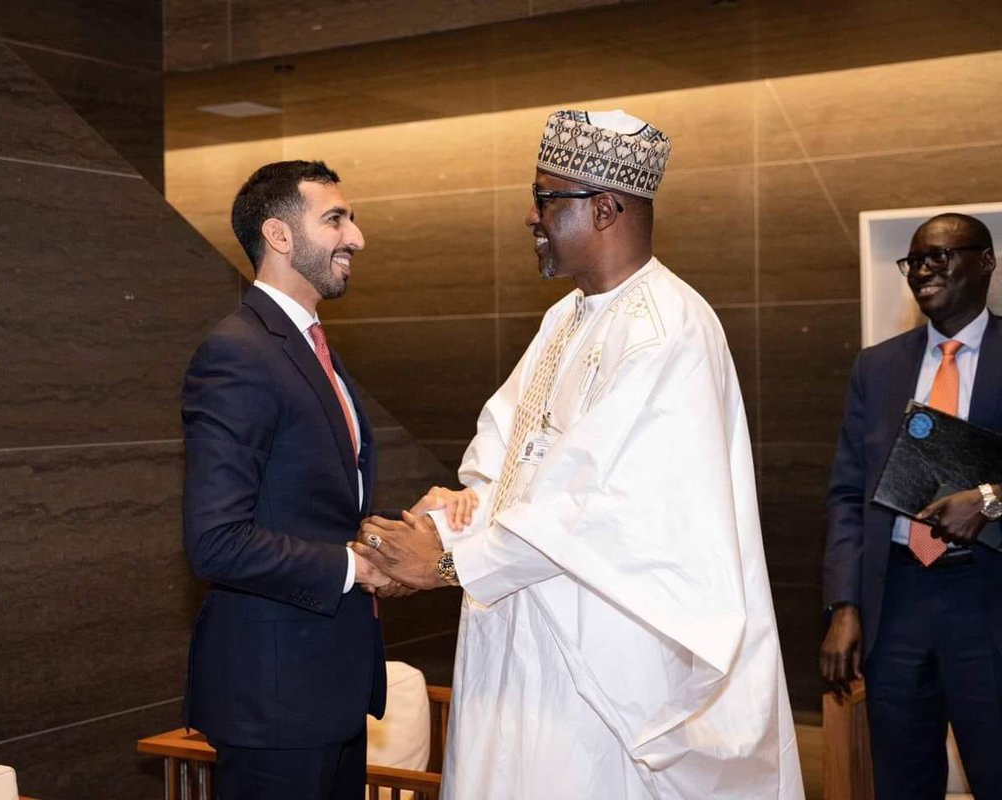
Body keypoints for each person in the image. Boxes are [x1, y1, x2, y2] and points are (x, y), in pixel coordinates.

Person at [353, 110, 803, 799]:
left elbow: (596, 510)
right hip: (520, 624)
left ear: (605, 208)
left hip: (605, 661)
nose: (530, 217)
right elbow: (500, 462)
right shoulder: (565, 318)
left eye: (545, 198)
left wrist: (445, 564)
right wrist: (438, 525)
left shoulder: (671, 331)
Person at [181, 160, 392, 800]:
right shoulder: (239, 352)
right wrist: (356, 568)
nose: (355, 237)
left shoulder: (307, 346)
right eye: (334, 218)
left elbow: (315, 506)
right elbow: (216, 540)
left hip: (326, 690)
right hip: (276, 702)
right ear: (278, 236)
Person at [821, 212, 1002, 799]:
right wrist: (846, 606)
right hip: (895, 602)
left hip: (986, 601)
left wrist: (990, 501)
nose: (924, 270)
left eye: (941, 256)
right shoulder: (877, 367)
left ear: (987, 262)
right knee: (900, 783)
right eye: (915, 260)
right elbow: (849, 493)